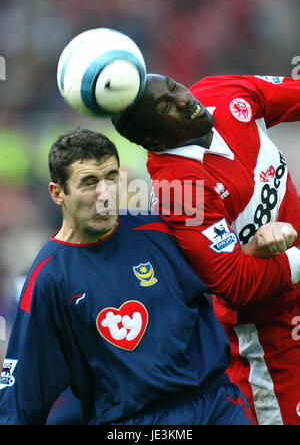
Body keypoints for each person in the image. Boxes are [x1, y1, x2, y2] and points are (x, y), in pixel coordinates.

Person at [0, 128, 257, 425]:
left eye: (110, 178)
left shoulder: (159, 230)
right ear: (57, 193)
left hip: (215, 408)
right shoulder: (49, 276)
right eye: (89, 183)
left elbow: (232, 272)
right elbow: (21, 394)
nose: (105, 194)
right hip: (132, 424)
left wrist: (258, 246)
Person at [112, 73, 300, 425]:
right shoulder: (178, 189)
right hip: (273, 336)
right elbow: (237, 284)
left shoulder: (223, 91)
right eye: (165, 106)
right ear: (154, 139)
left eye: (172, 86)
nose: (183, 98)